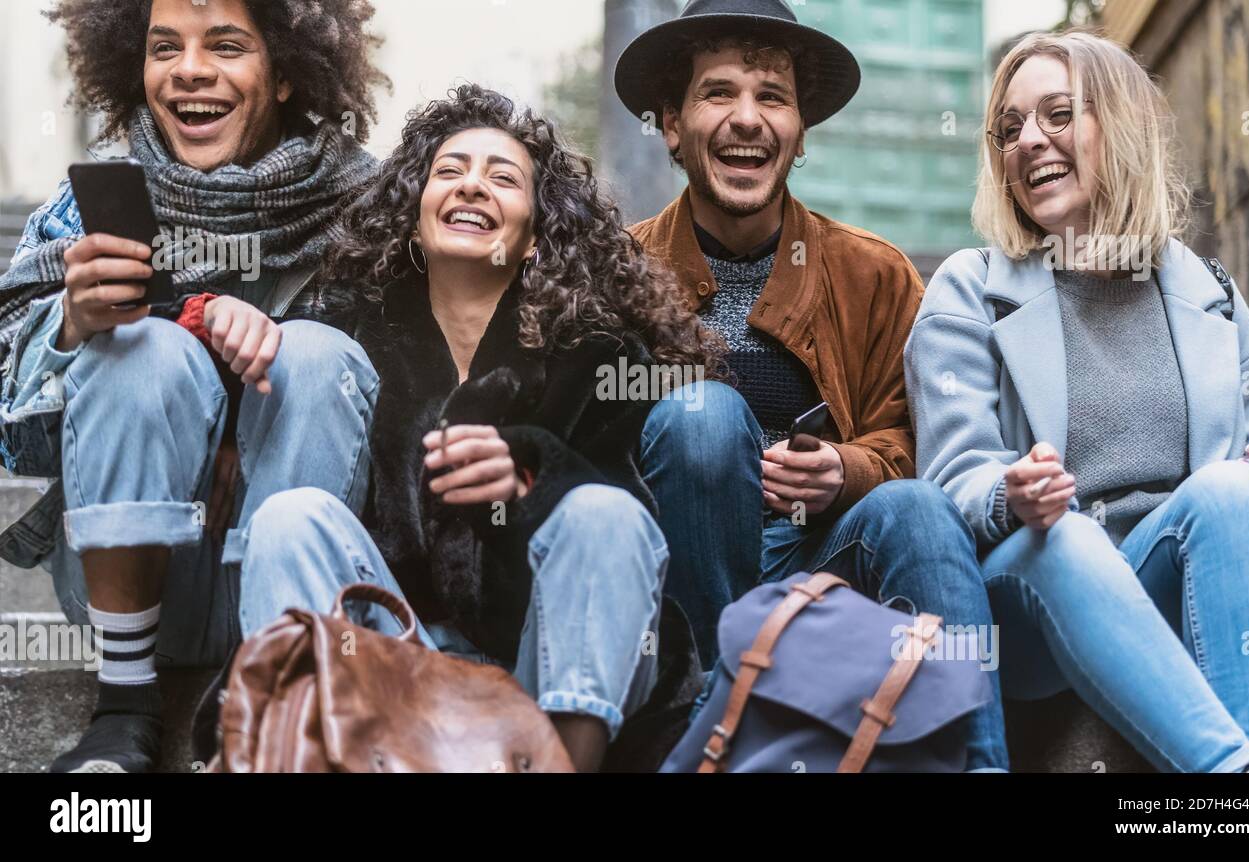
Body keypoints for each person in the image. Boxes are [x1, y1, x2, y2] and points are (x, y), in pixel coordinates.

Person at [236, 84, 722, 772]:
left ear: (531, 240)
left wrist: (532, 475)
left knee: (603, 516)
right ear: (412, 220)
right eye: (449, 171)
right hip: (395, 659)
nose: (472, 186)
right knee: (291, 517)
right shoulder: (345, 332)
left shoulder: (599, 356)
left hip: (545, 668)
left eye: (503, 178)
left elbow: (628, 532)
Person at [614, 0, 1009, 771]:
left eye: (773, 97)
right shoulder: (614, 274)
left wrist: (847, 470)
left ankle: (983, 763)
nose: (747, 118)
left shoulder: (876, 273)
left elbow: (927, 442)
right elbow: (579, 451)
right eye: (718, 93)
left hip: (822, 558)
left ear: (799, 135)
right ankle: (713, 716)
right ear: (670, 124)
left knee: (917, 508)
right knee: (703, 418)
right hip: (676, 578)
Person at [0, 0, 387, 772]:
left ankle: (277, 708)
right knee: (137, 346)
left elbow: (417, 394)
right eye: (164, 47)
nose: (189, 70)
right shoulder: (90, 208)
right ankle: (123, 713)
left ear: (283, 73)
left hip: (310, 585)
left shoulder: (371, 210)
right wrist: (72, 324)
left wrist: (255, 392)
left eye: (226, 45)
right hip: (142, 590)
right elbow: (14, 433)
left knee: (311, 354)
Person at [906, 30, 1249, 772]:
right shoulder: (968, 289)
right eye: (1010, 126)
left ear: (1118, 127)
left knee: (1239, 492)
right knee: (1072, 533)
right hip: (1035, 599)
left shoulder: (1211, 296)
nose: (1029, 141)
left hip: (1167, 593)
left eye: (1058, 115)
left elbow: (1247, 504)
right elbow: (945, 485)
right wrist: (1008, 492)